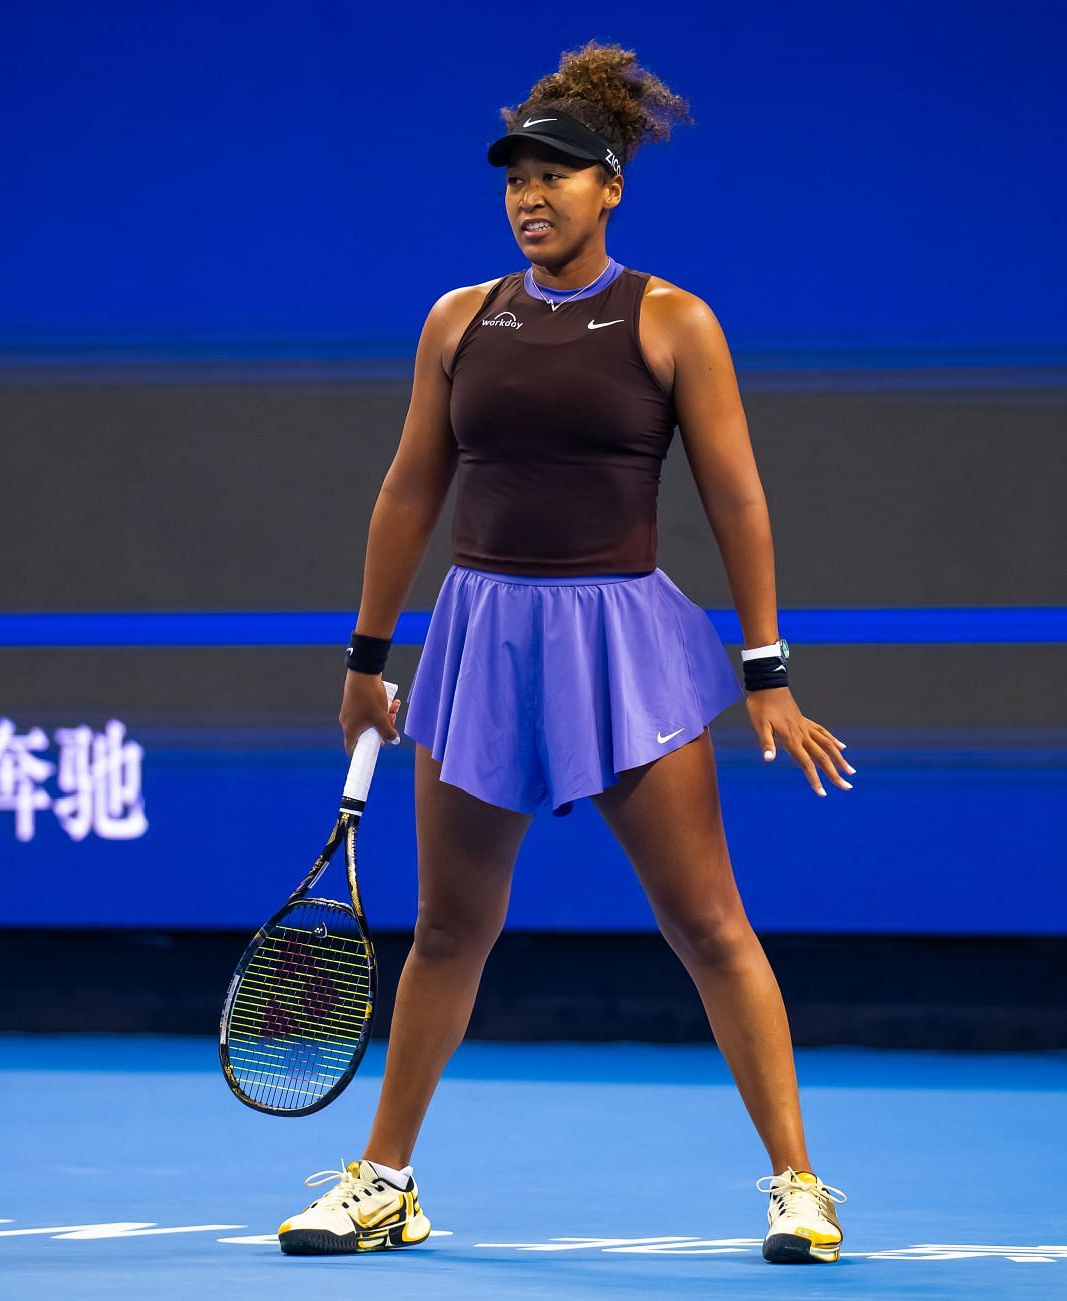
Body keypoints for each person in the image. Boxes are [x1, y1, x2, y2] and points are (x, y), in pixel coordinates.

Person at [276, 40, 855, 1265]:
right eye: (514, 179)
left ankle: (799, 1184)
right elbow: (406, 494)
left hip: (626, 644)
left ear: (612, 189)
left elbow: (740, 500)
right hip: (479, 640)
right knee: (448, 928)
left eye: (558, 174)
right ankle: (383, 1180)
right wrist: (364, 658)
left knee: (709, 925)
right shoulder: (459, 320)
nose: (531, 196)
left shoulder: (672, 320)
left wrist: (767, 669)